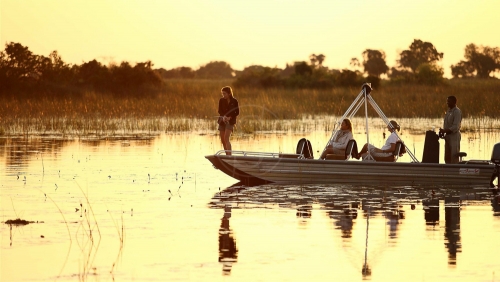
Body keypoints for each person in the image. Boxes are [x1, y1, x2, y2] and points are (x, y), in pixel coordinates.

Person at [439, 96, 462, 164]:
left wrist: (445, 131)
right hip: (447, 137)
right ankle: (447, 172)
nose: (447, 103)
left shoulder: (457, 112)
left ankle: (455, 172)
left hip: (454, 136)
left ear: (454, 102)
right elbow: (446, 124)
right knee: (447, 156)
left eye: (449, 101)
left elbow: (455, 127)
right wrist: (443, 132)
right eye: (447, 101)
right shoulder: (448, 111)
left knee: (454, 156)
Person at [218, 86, 239, 155]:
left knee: (226, 138)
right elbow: (219, 111)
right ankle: (227, 156)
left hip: (230, 121)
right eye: (222, 94)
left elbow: (237, 112)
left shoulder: (234, 101)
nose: (223, 95)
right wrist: (224, 117)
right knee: (223, 140)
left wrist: (230, 117)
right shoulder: (221, 100)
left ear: (229, 93)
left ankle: (230, 156)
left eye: (224, 93)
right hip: (222, 121)